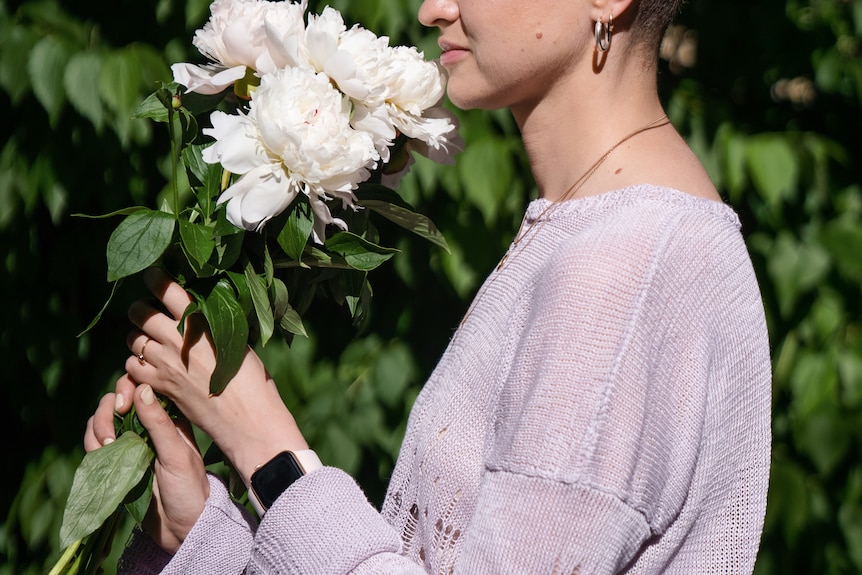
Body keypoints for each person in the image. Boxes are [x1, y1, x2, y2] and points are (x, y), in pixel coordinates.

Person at [84, 0, 773, 572]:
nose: (431, 8)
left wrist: (266, 448)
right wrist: (203, 534)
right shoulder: (592, 228)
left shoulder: (629, 263)